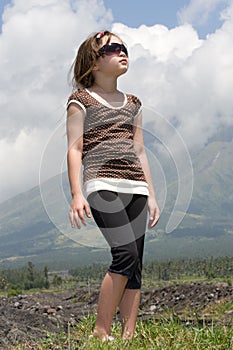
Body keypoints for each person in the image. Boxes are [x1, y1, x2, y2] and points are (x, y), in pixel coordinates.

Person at [66, 30, 160, 341]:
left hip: (136, 188)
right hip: (101, 185)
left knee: (136, 264)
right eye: (113, 48)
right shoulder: (81, 101)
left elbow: (140, 150)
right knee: (125, 255)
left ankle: (128, 336)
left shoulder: (133, 103)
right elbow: (75, 148)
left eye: (124, 47)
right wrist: (77, 193)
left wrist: (152, 195)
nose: (123, 52)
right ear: (93, 63)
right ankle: (100, 332)